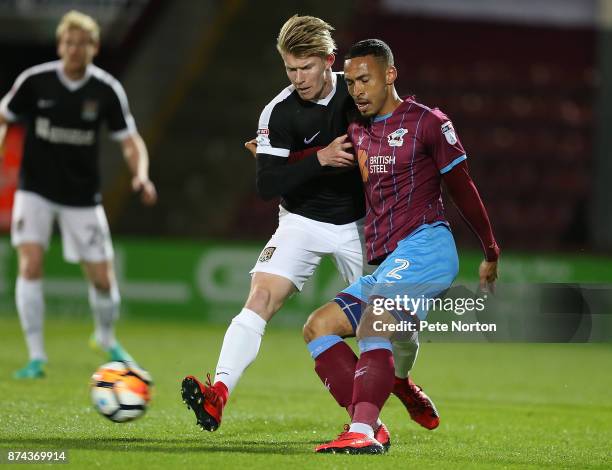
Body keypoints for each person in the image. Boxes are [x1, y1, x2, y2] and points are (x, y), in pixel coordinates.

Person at [181, 16, 437, 448]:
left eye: (306, 68)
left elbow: (397, 136)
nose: (298, 79)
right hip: (301, 220)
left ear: (329, 62)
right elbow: (266, 185)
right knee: (260, 298)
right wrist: (317, 158)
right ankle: (219, 393)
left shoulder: (359, 91)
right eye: (290, 69)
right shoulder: (278, 112)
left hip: (362, 224)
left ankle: (402, 381)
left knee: (398, 326)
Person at [312, 39, 500, 454]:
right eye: (352, 82)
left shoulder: (428, 122)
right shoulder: (356, 130)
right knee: (319, 328)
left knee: (375, 319)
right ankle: (376, 415)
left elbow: (462, 187)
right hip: (388, 260)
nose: (357, 89)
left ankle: (360, 431)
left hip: (428, 245)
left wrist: (489, 249)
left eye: (365, 79)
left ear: (390, 75)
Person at [0, 10, 157, 379]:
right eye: (68, 43)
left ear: (94, 48)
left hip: (82, 196)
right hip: (34, 189)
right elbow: (4, 115)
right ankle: (36, 356)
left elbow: (130, 141)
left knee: (103, 279)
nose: (74, 49)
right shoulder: (35, 82)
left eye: (82, 43)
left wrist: (141, 176)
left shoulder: (105, 90)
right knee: (30, 263)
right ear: (60, 45)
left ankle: (105, 338)